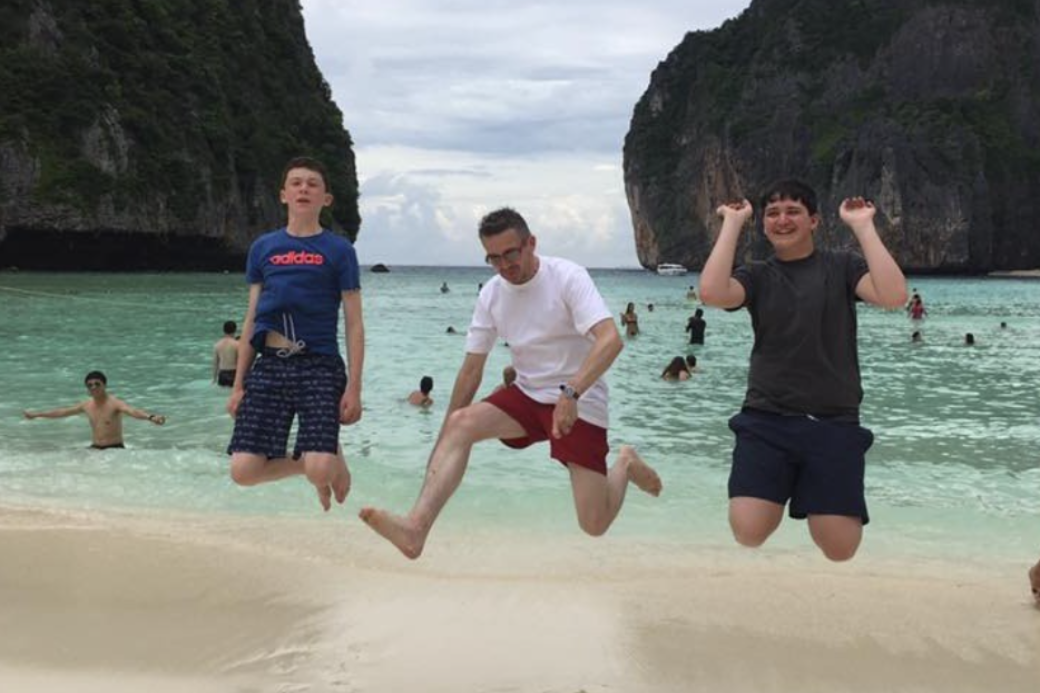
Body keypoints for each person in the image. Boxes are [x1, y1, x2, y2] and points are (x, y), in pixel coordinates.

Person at [359, 207, 662, 558]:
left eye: (510, 254)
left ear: (531, 243)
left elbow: (611, 339)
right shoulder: (491, 294)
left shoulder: (567, 277)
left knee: (593, 524)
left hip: (579, 399)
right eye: (493, 258)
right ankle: (415, 530)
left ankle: (624, 463)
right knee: (459, 423)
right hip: (527, 394)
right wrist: (444, 441)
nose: (503, 266)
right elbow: (471, 371)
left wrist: (572, 391)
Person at [700, 180, 907, 562]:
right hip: (766, 420)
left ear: (813, 221)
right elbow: (712, 293)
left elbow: (894, 296)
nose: (782, 219)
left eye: (793, 211)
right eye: (772, 213)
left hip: (833, 423)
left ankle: (809, 488)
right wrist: (732, 221)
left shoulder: (842, 267)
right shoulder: (758, 275)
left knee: (840, 548)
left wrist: (863, 226)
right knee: (748, 531)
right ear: (763, 225)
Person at [226, 156, 364, 512]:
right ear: (284, 194)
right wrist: (239, 384)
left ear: (326, 199)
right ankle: (322, 462)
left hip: (319, 365)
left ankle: (326, 463)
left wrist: (354, 388)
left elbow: (353, 323)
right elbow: (252, 317)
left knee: (321, 470)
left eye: (313, 184)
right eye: (296, 183)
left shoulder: (339, 250)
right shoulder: (263, 248)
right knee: (243, 471)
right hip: (269, 366)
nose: (304, 188)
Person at [23, 371, 166, 449]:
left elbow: (133, 411)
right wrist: (37, 414)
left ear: (104, 385)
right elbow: (63, 412)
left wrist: (151, 417)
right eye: (89, 385)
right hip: (95, 448)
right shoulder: (87, 404)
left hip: (115, 450)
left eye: (97, 384)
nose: (93, 387)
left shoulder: (114, 403)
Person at [212, 320, 239, 387]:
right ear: (235, 330)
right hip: (234, 373)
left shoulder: (217, 345)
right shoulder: (237, 344)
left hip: (222, 374)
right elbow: (240, 361)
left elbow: (215, 363)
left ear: (223, 330)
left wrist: (214, 379)